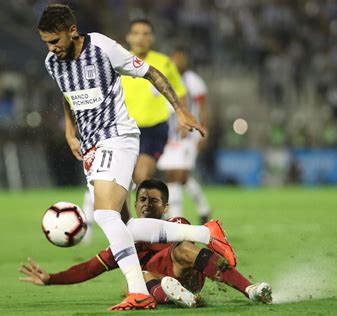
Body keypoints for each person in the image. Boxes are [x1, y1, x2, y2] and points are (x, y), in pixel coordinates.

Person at [36, 4, 235, 311]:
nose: (51, 49)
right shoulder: (53, 62)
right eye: (47, 42)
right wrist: (69, 131)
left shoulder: (102, 48)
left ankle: (139, 291)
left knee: (104, 215)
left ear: (72, 31)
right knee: (126, 228)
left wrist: (181, 110)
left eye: (55, 41)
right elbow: (68, 94)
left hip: (117, 137)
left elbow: (150, 72)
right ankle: (206, 233)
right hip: (91, 146)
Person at [19, 179, 272, 308]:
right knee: (142, 273)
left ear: (166, 207)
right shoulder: (126, 236)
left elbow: (192, 254)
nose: (146, 205)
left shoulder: (176, 223)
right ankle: (174, 296)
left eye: (154, 201)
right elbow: (89, 268)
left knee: (183, 248)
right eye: (141, 200)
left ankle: (251, 289)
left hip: (189, 279)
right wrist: (51, 278)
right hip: (157, 285)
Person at [81, 18, 188, 238]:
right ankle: (135, 229)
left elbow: (180, 91)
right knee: (121, 181)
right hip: (120, 131)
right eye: (136, 33)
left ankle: (143, 230)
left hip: (154, 129)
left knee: (141, 176)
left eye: (146, 33)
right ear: (129, 37)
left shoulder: (164, 63)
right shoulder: (117, 60)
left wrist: (182, 115)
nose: (141, 37)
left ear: (152, 38)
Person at [157, 47, 212, 223]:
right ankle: (203, 207)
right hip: (169, 134)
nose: (177, 62)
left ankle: (175, 219)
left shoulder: (194, 81)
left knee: (179, 174)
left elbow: (203, 107)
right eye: (175, 58)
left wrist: (203, 130)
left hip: (189, 134)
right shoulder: (164, 80)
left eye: (181, 58)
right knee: (175, 177)